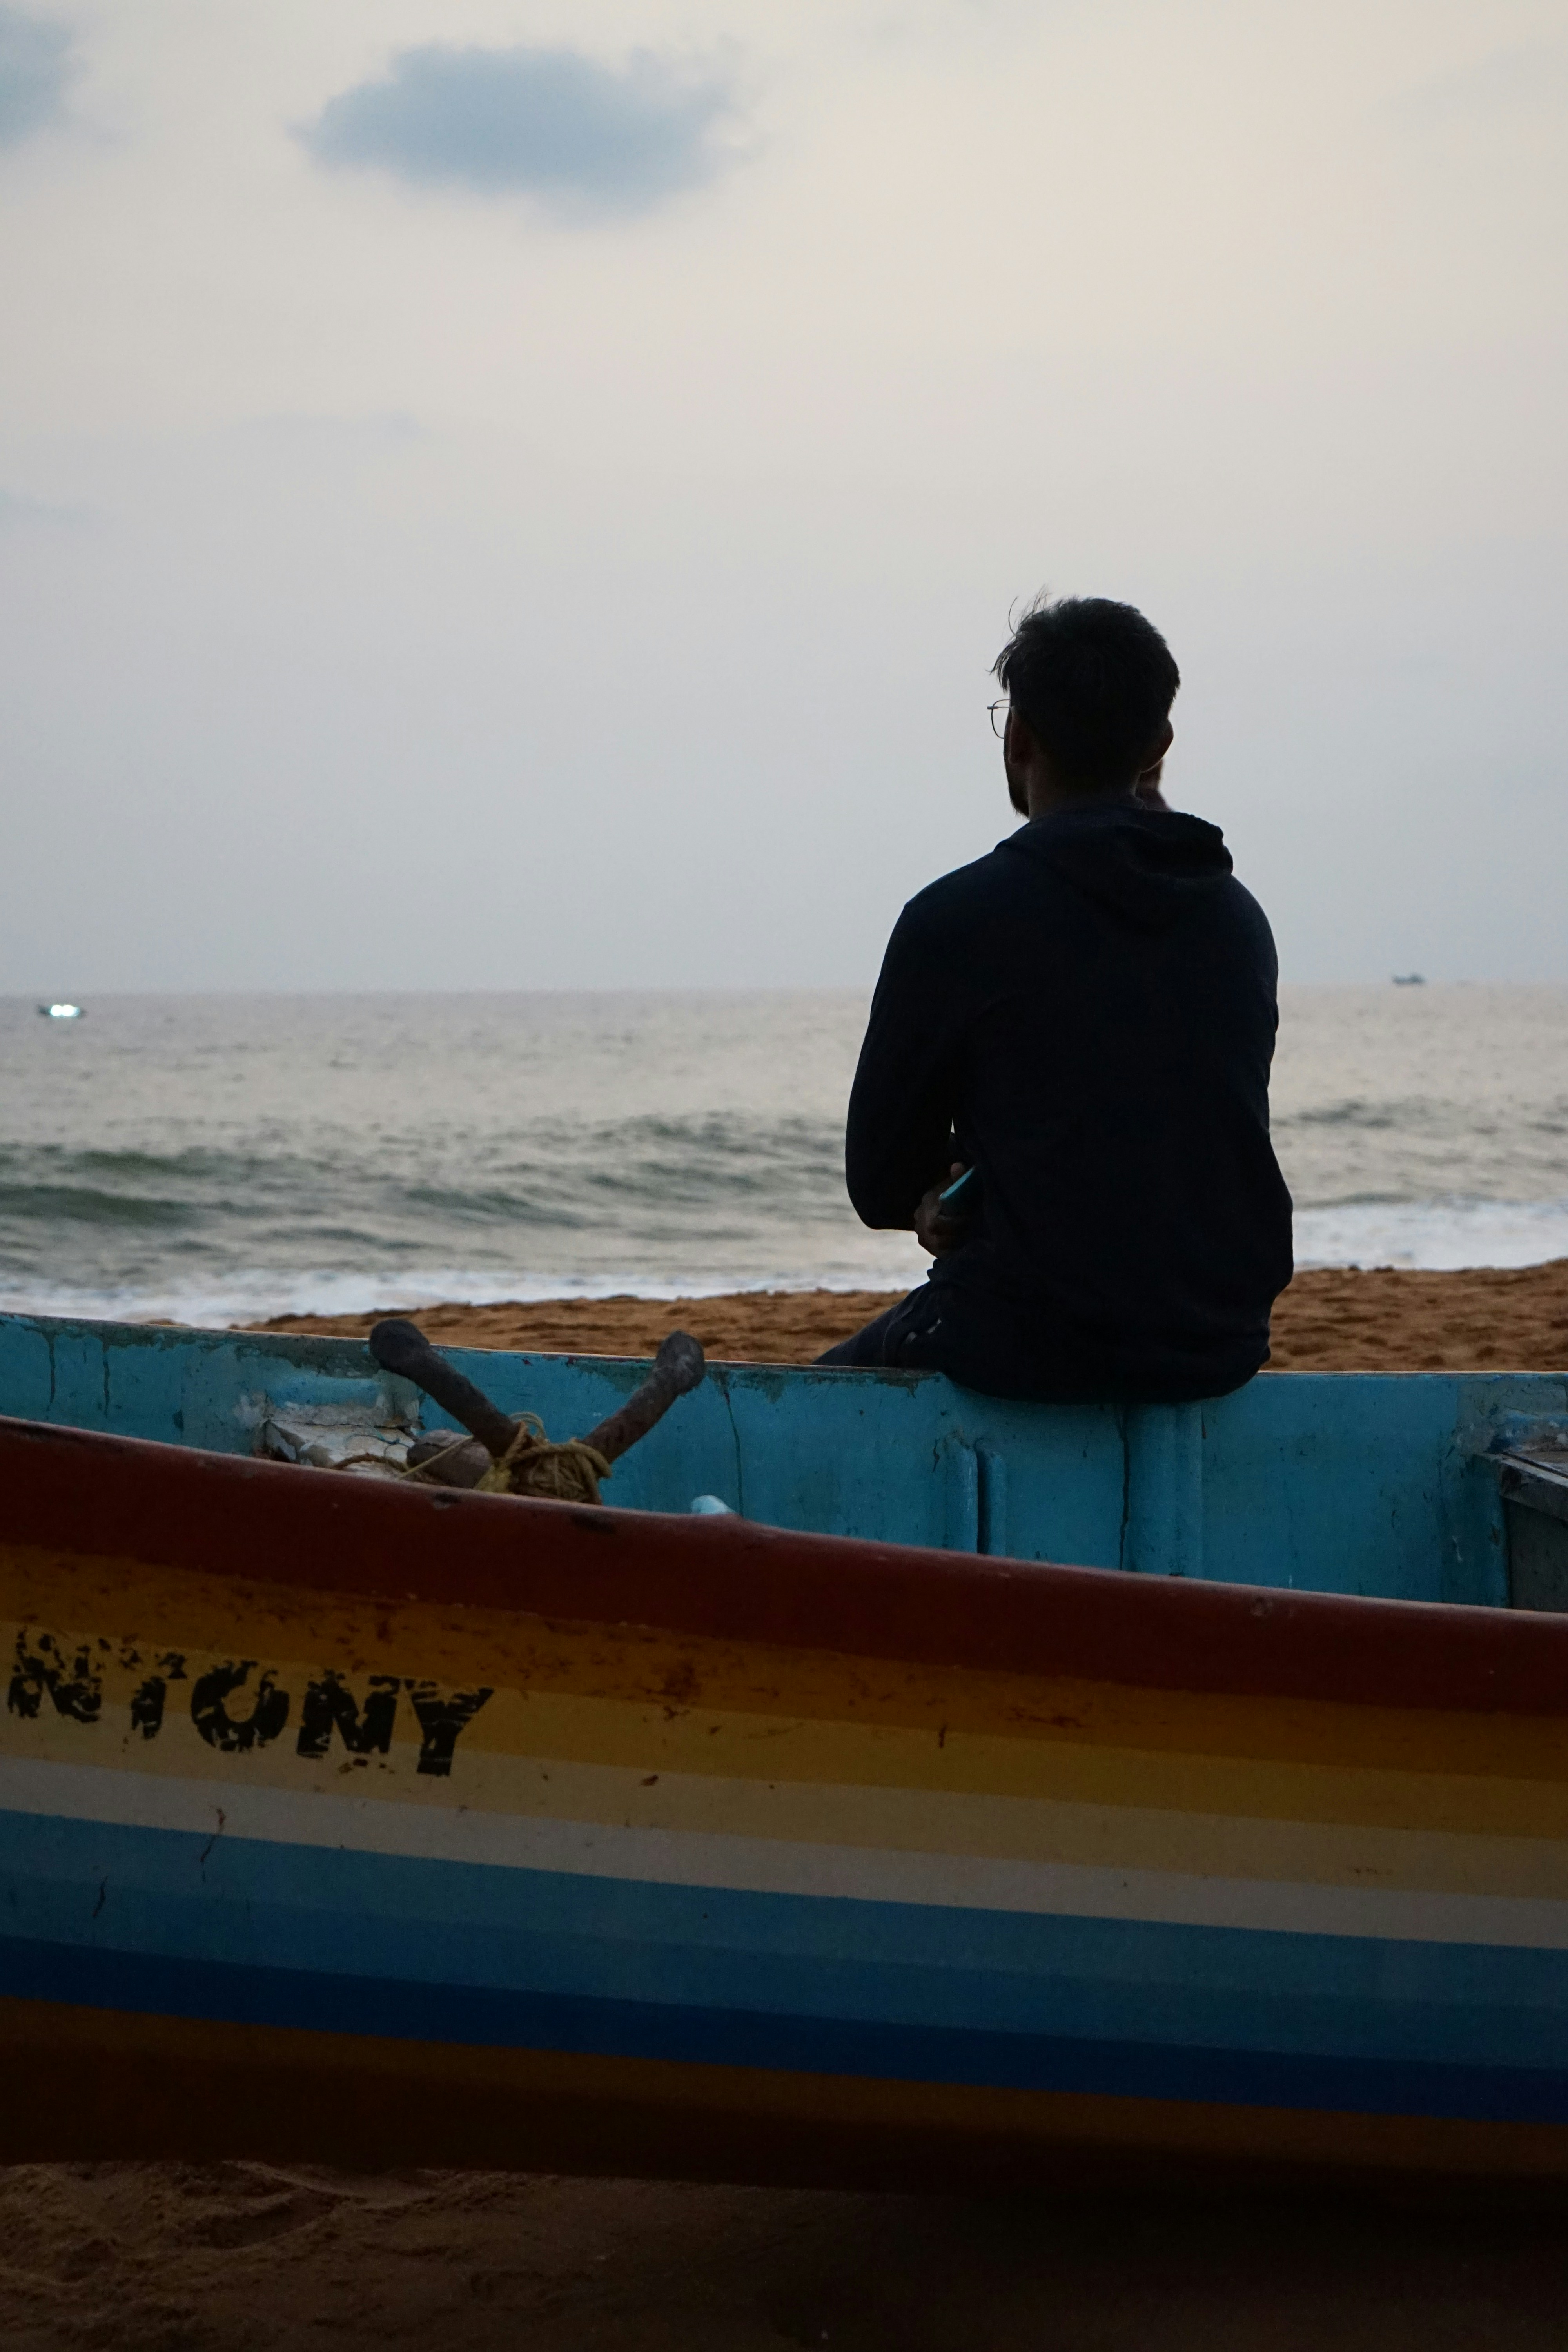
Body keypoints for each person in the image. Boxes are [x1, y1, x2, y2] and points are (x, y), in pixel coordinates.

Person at [816, 594, 1293, 1402]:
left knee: (814, 1401)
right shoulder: (1234, 919)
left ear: (1018, 738)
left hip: (1027, 1338)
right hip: (1219, 1341)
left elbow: (878, 1185)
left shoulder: (956, 920)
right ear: (1160, 747)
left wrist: (939, 1198)